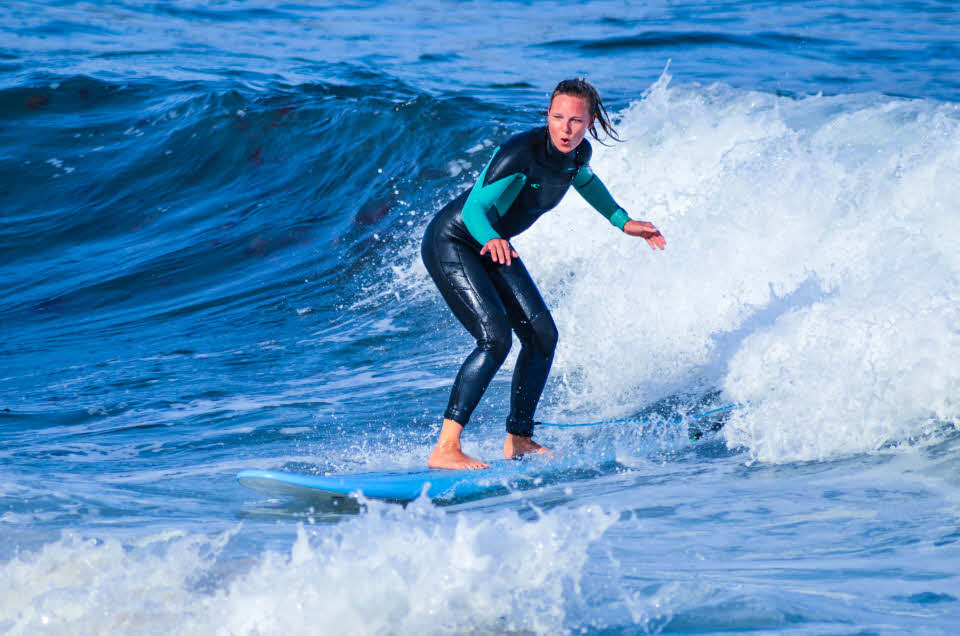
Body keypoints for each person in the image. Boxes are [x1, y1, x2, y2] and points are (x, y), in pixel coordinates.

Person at [421, 78, 666, 470]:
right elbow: (472, 211)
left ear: (590, 123)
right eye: (558, 118)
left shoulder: (577, 155)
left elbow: (586, 182)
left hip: (494, 243)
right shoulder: (519, 153)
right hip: (454, 241)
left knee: (541, 335)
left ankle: (519, 439)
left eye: (576, 121)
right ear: (547, 116)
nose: (566, 129)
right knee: (495, 339)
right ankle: (446, 447)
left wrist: (624, 221)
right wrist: (491, 239)